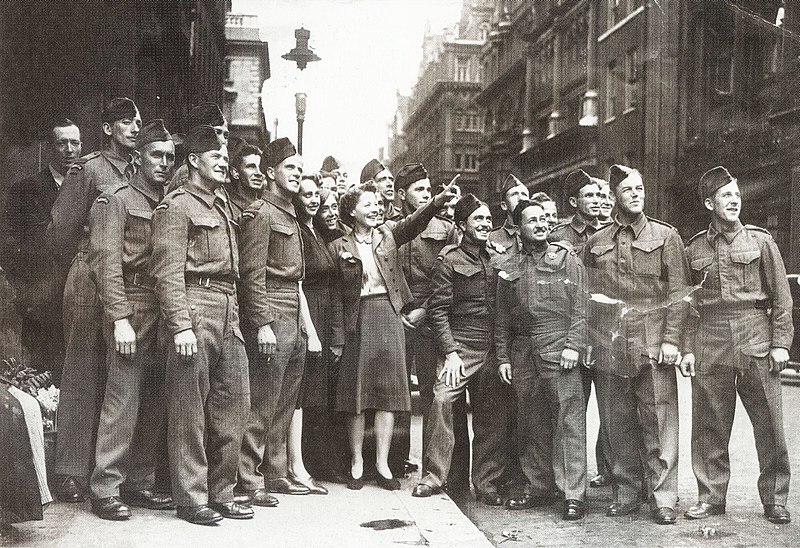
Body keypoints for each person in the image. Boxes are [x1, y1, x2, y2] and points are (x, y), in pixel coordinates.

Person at [150, 125, 252, 525]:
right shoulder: (177, 206)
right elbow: (168, 271)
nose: (225, 161)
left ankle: (221, 492)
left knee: (234, 403)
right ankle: (192, 499)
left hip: (228, 306)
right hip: (194, 306)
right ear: (193, 160)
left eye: (227, 156)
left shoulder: (223, 205)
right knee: (189, 410)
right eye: (217, 155)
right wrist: (180, 325)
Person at [328, 178, 458, 491]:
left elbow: (414, 222)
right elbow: (334, 295)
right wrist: (336, 337)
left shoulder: (388, 234)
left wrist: (436, 203)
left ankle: (383, 464)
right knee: (357, 395)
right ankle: (357, 462)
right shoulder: (338, 245)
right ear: (352, 211)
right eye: (367, 204)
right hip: (356, 319)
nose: (375, 209)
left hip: (388, 315)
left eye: (377, 204)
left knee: (387, 393)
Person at [680, 166, 793, 525]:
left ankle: (775, 498)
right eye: (726, 195)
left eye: (736, 194)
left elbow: (782, 298)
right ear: (709, 202)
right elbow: (687, 305)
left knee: (770, 425)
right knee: (710, 424)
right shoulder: (694, 247)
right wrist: (687, 348)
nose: (734, 200)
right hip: (710, 338)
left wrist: (780, 344)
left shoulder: (761, 242)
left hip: (754, 336)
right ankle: (711, 497)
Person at [583, 164, 691, 525]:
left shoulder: (666, 237)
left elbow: (679, 295)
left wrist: (673, 339)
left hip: (653, 344)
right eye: (628, 189)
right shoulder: (596, 242)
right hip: (610, 346)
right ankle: (628, 491)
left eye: (640, 188)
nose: (635, 194)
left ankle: (663, 497)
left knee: (659, 422)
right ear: (614, 196)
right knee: (618, 423)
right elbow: (585, 297)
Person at [48, 98, 140, 503]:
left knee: (119, 377)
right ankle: (70, 471)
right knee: (82, 373)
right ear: (106, 129)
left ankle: (111, 474)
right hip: (89, 276)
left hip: (126, 280)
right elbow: (60, 229)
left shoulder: (141, 169)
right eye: (126, 121)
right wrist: (85, 257)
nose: (135, 128)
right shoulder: (87, 169)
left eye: (138, 121)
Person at [87, 119, 176, 520]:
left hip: (162, 308)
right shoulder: (115, 199)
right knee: (122, 399)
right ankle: (105, 487)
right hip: (132, 304)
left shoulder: (167, 202)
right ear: (138, 157)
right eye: (156, 155)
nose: (163, 163)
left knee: (155, 399)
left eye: (169, 157)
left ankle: (139, 482)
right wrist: (119, 317)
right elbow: (105, 264)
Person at [237, 137, 321, 502]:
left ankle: (275, 471)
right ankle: (249, 479)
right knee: (263, 400)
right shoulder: (260, 214)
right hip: (272, 304)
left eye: (300, 168)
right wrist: (263, 323)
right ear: (270, 173)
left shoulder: (290, 213)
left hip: (293, 306)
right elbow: (253, 273)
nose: (297, 173)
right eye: (290, 167)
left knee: (285, 401)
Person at [412, 194, 510, 507]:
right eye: (477, 219)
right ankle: (434, 477)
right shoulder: (449, 259)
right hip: (460, 347)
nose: (485, 224)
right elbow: (438, 310)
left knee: (491, 417)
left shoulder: (497, 256)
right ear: (461, 225)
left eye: (487, 219)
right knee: (441, 402)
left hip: (492, 346)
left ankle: (487, 483)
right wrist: (451, 353)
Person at [495, 199, 588, 520]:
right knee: (531, 421)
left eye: (543, 219)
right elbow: (502, 318)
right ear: (518, 228)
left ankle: (573, 494)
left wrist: (574, 345)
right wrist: (504, 357)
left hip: (558, 344)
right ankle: (540, 486)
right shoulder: (508, 266)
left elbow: (581, 307)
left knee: (568, 422)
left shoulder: (565, 258)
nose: (540, 224)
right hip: (523, 352)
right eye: (531, 220)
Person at [393, 163, 468, 488]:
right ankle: (395, 464)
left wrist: (423, 310)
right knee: (394, 393)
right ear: (400, 194)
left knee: (432, 393)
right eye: (420, 189)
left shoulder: (447, 228)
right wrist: (399, 311)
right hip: (395, 316)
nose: (426, 193)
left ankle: (436, 471)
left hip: (431, 318)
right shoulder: (388, 227)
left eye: (428, 188)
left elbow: (449, 277)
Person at [1, 118, 81, 382]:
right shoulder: (26, 189)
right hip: (42, 303)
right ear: (49, 148)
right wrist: (29, 290)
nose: (69, 149)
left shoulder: (86, 189)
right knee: (40, 376)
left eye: (74, 143)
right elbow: (9, 246)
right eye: (62, 143)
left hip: (78, 298)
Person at [549, 169, 611, 489]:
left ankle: (610, 472)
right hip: (571, 332)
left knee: (613, 408)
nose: (597, 201)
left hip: (606, 333)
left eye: (600, 195)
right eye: (589, 195)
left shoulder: (613, 233)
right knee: (571, 410)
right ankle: (569, 482)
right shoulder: (558, 235)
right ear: (574, 202)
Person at [290, 175, 338, 490]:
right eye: (306, 195)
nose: (313, 200)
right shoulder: (298, 232)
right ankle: (296, 466)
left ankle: (307, 462)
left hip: (321, 313)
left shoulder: (315, 231)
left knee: (312, 395)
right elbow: (297, 285)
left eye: (315, 194)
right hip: (307, 314)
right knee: (298, 395)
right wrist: (310, 331)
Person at [166, 103, 229, 193]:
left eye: (226, 135)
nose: (223, 140)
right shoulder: (188, 172)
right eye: (217, 132)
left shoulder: (213, 170)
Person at [226, 137, 264, 221]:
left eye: (261, 168)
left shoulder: (265, 207)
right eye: (251, 167)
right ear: (235, 173)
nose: (259, 173)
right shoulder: (227, 208)